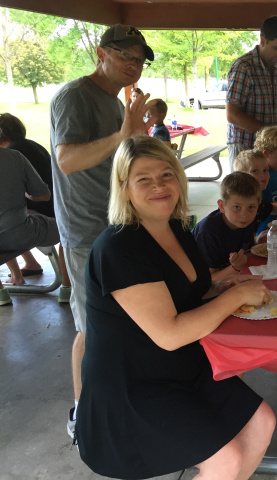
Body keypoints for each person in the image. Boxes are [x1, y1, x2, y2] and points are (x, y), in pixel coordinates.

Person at [75, 135, 275, 480]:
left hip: (181, 367)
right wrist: (234, 298)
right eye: (144, 179)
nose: (159, 186)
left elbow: (184, 295)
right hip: (131, 388)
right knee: (224, 459)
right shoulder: (119, 247)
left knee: (262, 423)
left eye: (166, 175)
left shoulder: (178, 228)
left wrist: (220, 288)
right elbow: (169, 333)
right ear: (124, 188)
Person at [49, 23, 155, 441]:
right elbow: (67, 160)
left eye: (140, 60)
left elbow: (117, 156)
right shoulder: (75, 96)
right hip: (84, 227)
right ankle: (82, 412)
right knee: (90, 323)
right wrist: (123, 135)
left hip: (114, 222)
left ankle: (117, 397)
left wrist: (135, 140)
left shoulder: (115, 102)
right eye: (125, 56)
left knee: (121, 317)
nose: (134, 65)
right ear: (101, 52)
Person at [0, 113, 71, 300]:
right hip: (51, 208)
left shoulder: (14, 153)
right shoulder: (27, 149)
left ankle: (7, 287)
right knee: (15, 217)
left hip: (28, 220)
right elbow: (42, 194)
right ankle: (66, 285)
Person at [226, 16, 277, 170]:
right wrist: (270, 133)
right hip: (245, 147)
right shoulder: (243, 67)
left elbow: (275, 109)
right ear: (263, 40)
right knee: (246, 193)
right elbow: (232, 115)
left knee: (271, 193)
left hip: (271, 150)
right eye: (276, 48)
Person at [0, 148, 59, 292]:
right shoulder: (14, 157)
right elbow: (43, 195)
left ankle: (3, 291)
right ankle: (67, 286)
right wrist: (26, 194)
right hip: (20, 233)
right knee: (67, 226)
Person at [192, 172, 261, 281]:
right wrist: (235, 267)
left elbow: (246, 252)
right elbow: (208, 281)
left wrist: (257, 242)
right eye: (237, 207)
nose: (244, 215)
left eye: (251, 207)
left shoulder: (245, 222)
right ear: (222, 206)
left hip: (230, 276)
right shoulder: (207, 232)